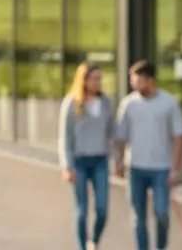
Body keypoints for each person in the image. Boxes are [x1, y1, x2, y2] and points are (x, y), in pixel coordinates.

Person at [113, 60, 182, 250]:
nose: (133, 84)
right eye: (132, 81)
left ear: (150, 80)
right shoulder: (128, 104)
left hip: (161, 169)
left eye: (137, 80)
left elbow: (180, 136)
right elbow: (120, 136)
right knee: (138, 217)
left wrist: (176, 169)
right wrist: (118, 161)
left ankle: (161, 247)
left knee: (162, 213)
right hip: (135, 168)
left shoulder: (168, 103)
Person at [58, 63, 115, 250]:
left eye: (99, 78)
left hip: (100, 161)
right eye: (93, 78)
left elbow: (111, 133)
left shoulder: (105, 103)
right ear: (83, 80)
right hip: (79, 162)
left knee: (102, 209)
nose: (96, 82)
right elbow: (65, 137)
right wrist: (67, 166)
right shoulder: (72, 103)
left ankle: (95, 241)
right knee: (81, 211)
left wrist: (117, 159)